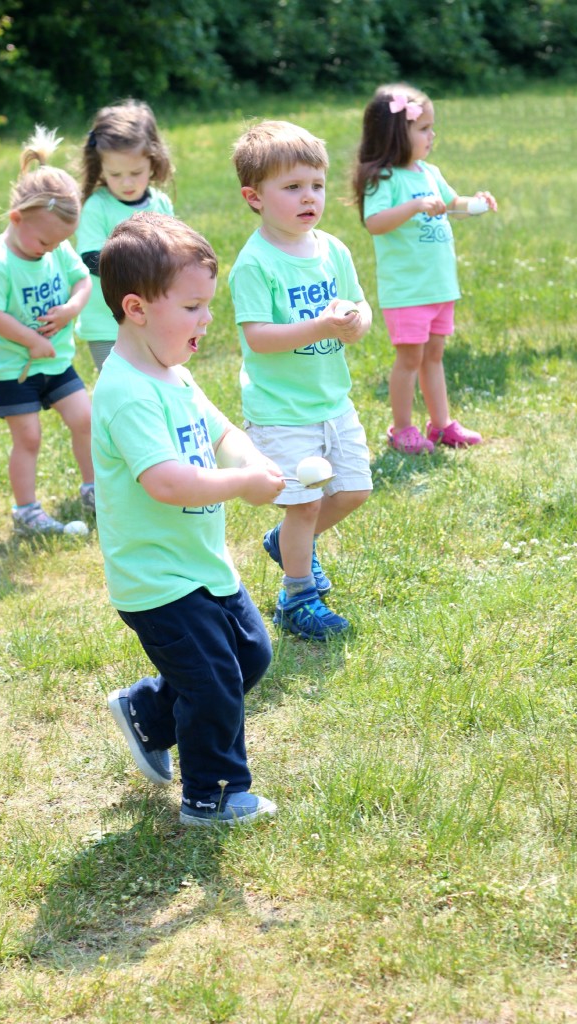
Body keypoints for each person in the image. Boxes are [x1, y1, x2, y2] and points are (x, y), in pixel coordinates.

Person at [92, 212, 284, 826]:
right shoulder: (125, 391)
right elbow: (167, 482)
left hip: (201, 565)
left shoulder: (172, 373)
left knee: (249, 658)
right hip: (157, 579)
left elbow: (220, 430)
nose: (207, 320)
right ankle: (215, 794)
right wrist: (242, 484)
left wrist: (254, 461)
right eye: (194, 307)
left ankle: (149, 713)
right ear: (137, 308)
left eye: (209, 305)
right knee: (212, 683)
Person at [229, 119, 373, 642]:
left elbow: (360, 305)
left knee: (354, 490)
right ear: (255, 197)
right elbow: (258, 337)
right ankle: (297, 597)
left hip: (333, 401)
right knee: (305, 502)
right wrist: (320, 325)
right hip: (280, 408)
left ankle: (287, 540)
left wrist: (358, 320)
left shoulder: (333, 249)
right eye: (292, 187)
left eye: (315, 184)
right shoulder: (254, 263)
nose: (308, 197)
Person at [352, 83, 497, 454]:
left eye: (432, 128)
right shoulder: (384, 179)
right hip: (407, 291)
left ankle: (441, 424)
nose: (432, 135)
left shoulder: (428, 172)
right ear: (395, 134)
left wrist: (476, 203)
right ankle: (402, 429)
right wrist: (415, 206)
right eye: (423, 128)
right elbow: (375, 222)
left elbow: (453, 205)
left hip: (438, 287)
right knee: (409, 359)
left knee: (434, 357)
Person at [0, 126, 95, 535]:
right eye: (44, 242)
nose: (51, 249)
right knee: (28, 438)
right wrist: (32, 340)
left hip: (57, 360)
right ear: (16, 218)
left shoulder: (56, 246)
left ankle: (94, 488)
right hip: (15, 368)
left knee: (86, 419)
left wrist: (71, 310)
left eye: (58, 243)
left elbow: (83, 281)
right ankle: (26, 512)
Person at [76, 99, 174, 371]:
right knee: (118, 384)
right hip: (107, 322)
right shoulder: (98, 206)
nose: (127, 182)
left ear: (153, 162)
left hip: (154, 317)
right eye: (115, 174)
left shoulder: (161, 203)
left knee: (155, 378)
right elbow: (91, 257)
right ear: (101, 168)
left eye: (136, 172)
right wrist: (138, 272)